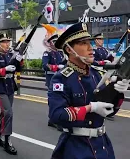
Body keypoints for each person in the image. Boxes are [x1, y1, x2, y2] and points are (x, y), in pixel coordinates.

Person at [48, 22, 129, 159]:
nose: (90, 48)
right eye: (83, 43)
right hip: (76, 147)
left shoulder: (95, 74)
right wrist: (90, 108)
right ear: (69, 49)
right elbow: (56, 115)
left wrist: (118, 93)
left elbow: (109, 111)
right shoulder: (61, 78)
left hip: (102, 145)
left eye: (89, 43)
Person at [0, 33, 24, 155]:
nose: (7, 44)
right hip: (0, 88)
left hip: (10, 88)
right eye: (4, 42)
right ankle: (7, 141)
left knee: (4, 113)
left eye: (8, 42)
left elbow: (18, 69)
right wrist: (4, 69)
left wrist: (20, 58)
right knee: (8, 113)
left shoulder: (10, 55)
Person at [41, 34, 66, 130]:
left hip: (61, 79)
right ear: (50, 43)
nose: (56, 44)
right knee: (54, 100)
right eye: (54, 42)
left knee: (61, 99)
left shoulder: (60, 53)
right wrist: (57, 67)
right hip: (52, 78)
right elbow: (45, 65)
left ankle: (54, 119)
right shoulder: (47, 53)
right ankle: (53, 119)